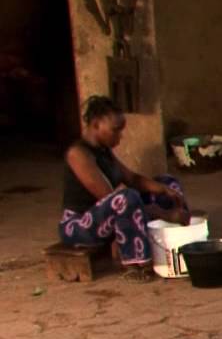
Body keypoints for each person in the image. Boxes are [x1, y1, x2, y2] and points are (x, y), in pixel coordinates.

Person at [61, 95, 190, 283]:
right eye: (116, 130)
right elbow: (110, 199)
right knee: (126, 199)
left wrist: (163, 189)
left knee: (169, 182)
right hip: (78, 226)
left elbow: (133, 178)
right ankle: (136, 265)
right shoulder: (77, 154)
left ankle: (177, 244)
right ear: (96, 124)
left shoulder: (104, 151)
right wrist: (163, 214)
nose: (120, 136)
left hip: (108, 212)